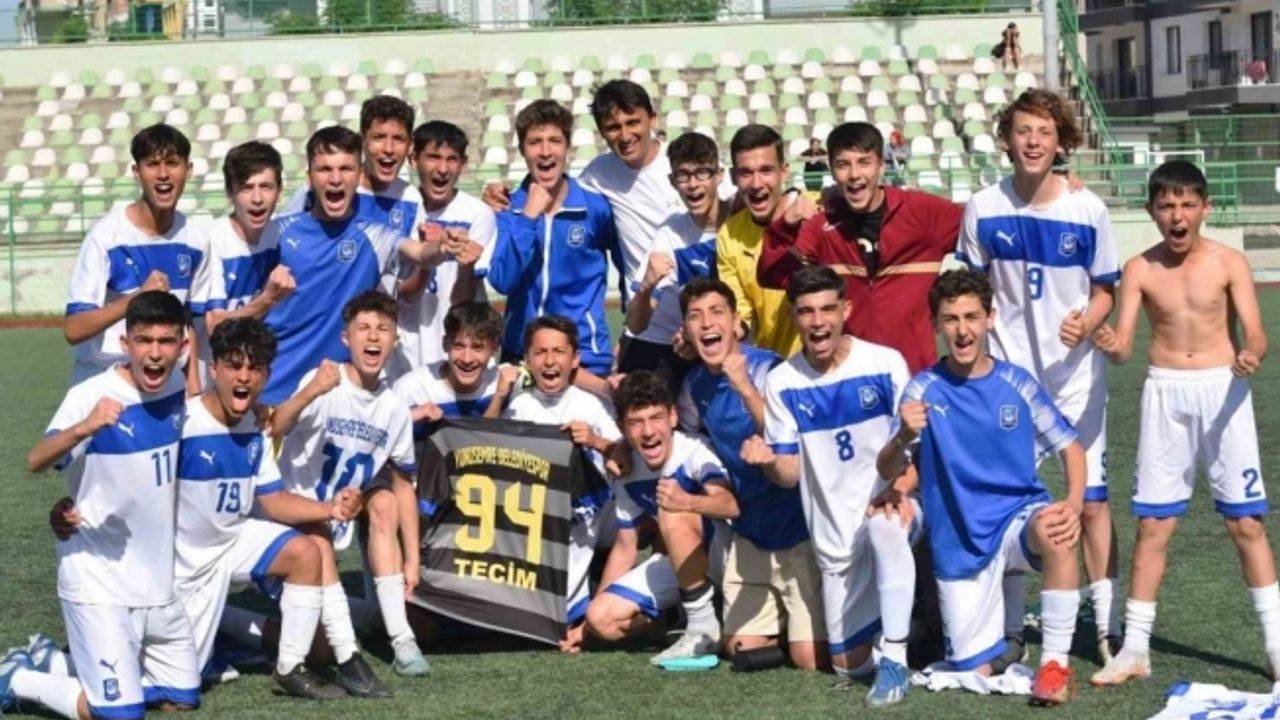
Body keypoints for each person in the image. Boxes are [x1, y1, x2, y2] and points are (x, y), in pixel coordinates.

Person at [38, 318, 363, 700]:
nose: (243, 377)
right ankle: (51, 662)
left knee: (307, 554)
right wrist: (72, 511)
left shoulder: (256, 426)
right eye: (233, 366)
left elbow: (274, 500)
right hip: (181, 568)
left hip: (231, 540)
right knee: (160, 690)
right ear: (214, 369)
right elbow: (126, 482)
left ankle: (289, 669)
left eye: (254, 368)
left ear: (266, 375)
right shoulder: (183, 423)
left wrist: (330, 509)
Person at [1089, 161, 1277, 686]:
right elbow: (1124, 347)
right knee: (1153, 525)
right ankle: (1135, 649)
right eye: (1167, 205)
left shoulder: (1229, 262)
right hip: (1165, 394)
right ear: (1152, 210)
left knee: (1246, 523)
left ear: (1205, 208)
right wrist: (1110, 343)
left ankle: (1276, 645)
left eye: (1188, 204)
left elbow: (1256, 333)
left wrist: (1252, 353)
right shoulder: (1139, 269)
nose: (1178, 215)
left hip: (1223, 391)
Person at [956, 88, 1121, 666]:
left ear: (1061, 142)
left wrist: (1088, 321)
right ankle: (1010, 630)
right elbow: (970, 292)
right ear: (1007, 139)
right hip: (1010, 384)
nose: (1032, 142)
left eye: (1044, 132)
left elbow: (1106, 290)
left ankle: (1106, 627)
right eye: (1023, 130)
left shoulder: (1087, 208)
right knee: (1009, 504)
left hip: (1076, 381)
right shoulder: (982, 207)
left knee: (1092, 504)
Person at [877, 268, 1086, 706]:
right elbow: (888, 466)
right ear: (936, 325)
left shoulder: (1017, 383)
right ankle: (1009, 642)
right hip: (958, 542)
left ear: (990, 318)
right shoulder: (923, 389)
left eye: (972, 317)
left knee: (1057, 530)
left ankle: (1054, 666)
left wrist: (1073, 503)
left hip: (1015, 520)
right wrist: (901, 436)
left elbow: (1071, 447)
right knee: (973, 670)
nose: (962, 330)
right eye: (951, 319)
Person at [740, 266, 917, 706]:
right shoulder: (782, 382)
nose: (817, 322)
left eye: (826, 309)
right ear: (793, 317)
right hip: (835, 541)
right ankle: (908, 628)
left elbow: (915, 453)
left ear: (846, 310)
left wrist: (900, 489)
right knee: (847, 666)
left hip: (891, 509)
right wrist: (768, 462)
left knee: (885, 526)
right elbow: (790, 474)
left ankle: (897, 657)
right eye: (806, 312)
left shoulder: (885, 363)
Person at [17, 291, 198, 720]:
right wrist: (86, 426)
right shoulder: (93, 395)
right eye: (144, 340)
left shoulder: (178, 384)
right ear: (125, 343)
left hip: (156, 582)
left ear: (183, 346)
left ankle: (57, 661)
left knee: (182, 696)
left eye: (166, 341)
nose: (155, 353)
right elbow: (36, 460)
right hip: (97, 576)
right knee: (119, 714)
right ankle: (19, 679)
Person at [270, 291, 425, 685]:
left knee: (384, 501)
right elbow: (276, 426)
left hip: (337, 519)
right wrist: (310, 391)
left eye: (382, 329)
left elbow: (404, 485)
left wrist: (413, 560)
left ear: (395, 340)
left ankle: (402, 639)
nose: (373, 336)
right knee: (319, 650)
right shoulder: (324, 381)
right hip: (293, 519)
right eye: (363, 328)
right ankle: (229, 622)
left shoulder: (394, 408)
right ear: (346, 338)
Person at [677, 278, 824, 671]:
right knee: (739, 647)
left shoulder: (768, 368)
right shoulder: (694, 386)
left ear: (735, 322)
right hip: (750, 533)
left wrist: (744, 388)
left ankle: (811, 629)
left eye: (716, 312)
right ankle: (789, 626)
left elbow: (785, 441)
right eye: (695, 316)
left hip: (799, 529)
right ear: (686, 331)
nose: (707, 323)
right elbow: (691, 438)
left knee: (810, 659)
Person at [256, 126, 446, 406]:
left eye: (345, 169)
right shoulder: (276, 233)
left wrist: (441, 248)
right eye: (325, 169)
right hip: (273, 394)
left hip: (339, 401)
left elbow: (419, 252)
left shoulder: (374, 235)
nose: (335, 179)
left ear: (358, 175)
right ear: (309, 177)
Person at [759, 122, 964, 375]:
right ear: (832, 170)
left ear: (881, 165)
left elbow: (982, 231)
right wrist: (785, 226)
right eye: (843, 164)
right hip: (851, 381)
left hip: (916, 376)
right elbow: (771, 275)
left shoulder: (923, 213)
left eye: (864, 162)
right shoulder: (823, 223)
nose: (854, 174)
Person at [585, 371, 739, 664]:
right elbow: (625, 546)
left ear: (673, 416)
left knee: (671, 506)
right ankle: (675, 618)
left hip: (728, 558)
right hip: (680, 563)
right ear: (621, 428)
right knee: (601, 618)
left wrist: (687, 502)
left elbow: (730, 505)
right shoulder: (627, 470)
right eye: (635, 422)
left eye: (656, 418)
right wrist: (589, 626)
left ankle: (703, 625)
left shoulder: (694, 450)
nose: (648, 431)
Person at [486, 315, 621, 645]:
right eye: (540, 352)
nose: (549, 361)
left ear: (575, 359)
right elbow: (484, 452)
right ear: (527, 360)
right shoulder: (519, 406)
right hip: (537, 520)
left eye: (559, 351)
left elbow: (626, 459)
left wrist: (595, 441)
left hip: (592, 517)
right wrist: (500, 397)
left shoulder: (592, 405)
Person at [63, 124, 212, 387]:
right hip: (105, 379)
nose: (163, 174)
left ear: (188, 170)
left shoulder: (197, 239)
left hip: (165, 383)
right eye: (152, 164)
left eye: (172, 163)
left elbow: (189, 323)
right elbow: (74, 329)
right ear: (136, 172)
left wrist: (194, 392)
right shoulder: (106, 237)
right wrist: (136, 299)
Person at [484, 99, 622, 378]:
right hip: (522, 353)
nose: (546, 151)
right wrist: (529, 217)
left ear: (567, 147)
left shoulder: (594, 208)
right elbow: (502, 280)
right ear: (522, 150)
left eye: (555, 141)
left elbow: (627, 266)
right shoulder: (507, 210)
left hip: (585, 353)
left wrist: (630, 330)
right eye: (535, 142)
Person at [623, 132, 727, 386]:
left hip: (734, 343)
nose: (693, 184)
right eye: (683, 175)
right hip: (677, 345)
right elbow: (635, 325)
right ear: (672, 181)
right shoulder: (670, 233)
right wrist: (646, 286)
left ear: (719, 175)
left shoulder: (741, 221)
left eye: (702, 173)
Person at [393, 120, 493, 376]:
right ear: (413, 160)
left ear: (463, 164)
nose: (442, 169)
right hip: (404, 352)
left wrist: (466, 266)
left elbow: (464, 301)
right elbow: (401, 292)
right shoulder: (400, 209)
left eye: (452, 159)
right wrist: (429, 255)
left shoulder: (477, 214)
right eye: (433, 157)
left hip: (455, 354)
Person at [717, 124, 803, 358]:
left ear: (784, 171)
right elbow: (740, 311)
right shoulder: (729, 234)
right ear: (733, 177)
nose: (756, 184)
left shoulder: (815, 213)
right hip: (775, 365)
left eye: (766, 170)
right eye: (746, 173)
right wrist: (724, 331)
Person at [393, 301, 504, 440]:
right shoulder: (410, 390)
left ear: (494, 348)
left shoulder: (504, 385)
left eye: (477, 348)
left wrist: (500, 395)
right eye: (458, 346)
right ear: (445, 344)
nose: (467, 359)